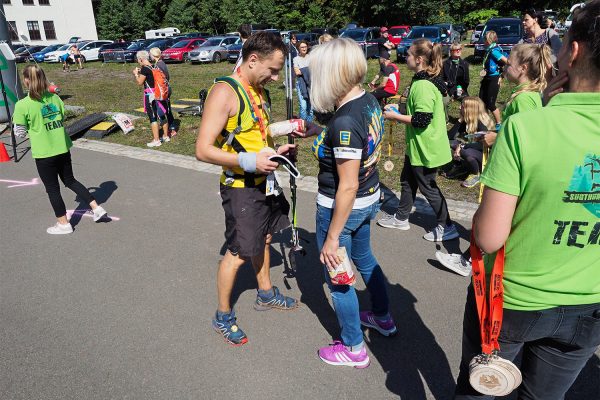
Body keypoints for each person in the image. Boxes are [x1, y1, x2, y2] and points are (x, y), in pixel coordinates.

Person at [454, 1, 600, 398]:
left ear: (572, 52)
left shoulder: (526, 126)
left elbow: (488, 237)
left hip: (514, 301)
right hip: (590, 305)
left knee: (483, 390)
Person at [297, 38, 396, 368]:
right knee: (365, 258)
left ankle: (353, 348)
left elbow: (347, 185)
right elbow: (353, 140)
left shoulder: (344, 123)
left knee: (338, 278)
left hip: (342, 206)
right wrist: (319, 131)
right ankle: (382, 316)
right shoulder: (366, 100)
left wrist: (332, 237)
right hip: (370, 199)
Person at [195, 32, 298, 346]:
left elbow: (255, 137)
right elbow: (202, 150)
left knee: (265, 238)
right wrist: (250, 161)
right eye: (273, 69)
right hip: (241, 188)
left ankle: (265, 293)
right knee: (238, 252)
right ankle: (222, 315)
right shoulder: (224, 92)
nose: (276, 77)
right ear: (253, 60)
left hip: (265, 183)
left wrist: (277, 150)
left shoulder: (258, 90)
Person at [378, 39, 459, 242]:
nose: (406, 57)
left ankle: (447, 226)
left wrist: (395, 116)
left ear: (419, 59)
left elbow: (422, 120)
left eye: (409, 54)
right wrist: (399, 110)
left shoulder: (422, 85)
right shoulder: (425, 80)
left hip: (426, 147)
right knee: (407, 181)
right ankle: (401, 217)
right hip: (416, 146)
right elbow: (418, 110)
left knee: (428, 187)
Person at [12, 65, 108, 234]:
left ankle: (63, 224)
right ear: (43, 78)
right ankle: (96, 207)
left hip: (44, 152)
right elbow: (61, 117)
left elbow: (19, 132)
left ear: (26, 81)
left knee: (52, 189)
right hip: (62, 147)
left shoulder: (23, 104)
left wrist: (35, 131)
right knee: (70, 180)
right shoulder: (55, 98)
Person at [445, 97, 495, 188]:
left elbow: (482, 145)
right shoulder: (468, 120)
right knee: (451, 143)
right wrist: (460, 120)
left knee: (465, 151)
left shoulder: (481, 124)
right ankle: (464, 167)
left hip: (486, 156)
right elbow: (449, 136)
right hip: (475, 151)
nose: (459, 108)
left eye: (462, 106)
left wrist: (462, 146)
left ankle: (476, 174)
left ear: (470, 109)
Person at [133, 50, 169, 148]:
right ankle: (165, 136)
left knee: (153, 117)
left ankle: (156, 140)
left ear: (141, 59)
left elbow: (140, 82)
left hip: (151, 96)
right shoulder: (154, 66)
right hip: (159, 93)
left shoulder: (145, 69)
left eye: (138, 59)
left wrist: (136, 74)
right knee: (161, 114)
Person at [479, 31, 508, 126]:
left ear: (488, 40)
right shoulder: (489, 49)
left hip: (494, 79)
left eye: (485, 39)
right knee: (482, 102)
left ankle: (499, 124)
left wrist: (502, 76)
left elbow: (508, 62)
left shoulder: (494, 51)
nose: (483, 41)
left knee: (490, 104)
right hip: (487, 78)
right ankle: (486, 123)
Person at [149, 47, 176, 137]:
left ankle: (171, 129)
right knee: (167, 109)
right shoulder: (161, 63)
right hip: (166, 88)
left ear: (153, 55)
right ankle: (171, 128)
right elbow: (167, 76)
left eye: (150, 54)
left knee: (164, 110)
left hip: (162, 90)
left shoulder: (158, 65)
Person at [293, 40, 313, 121]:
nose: (304, 48)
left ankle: (309, 124)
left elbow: (315, 69)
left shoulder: (312, 57)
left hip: (311, 84)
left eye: (305, 47)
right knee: (303, 106)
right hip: (301, 84)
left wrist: (303, 70)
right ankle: (302, 124)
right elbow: (297, 72)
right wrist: (309, 69)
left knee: (311, 106)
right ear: (298, 48)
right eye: (302, 47)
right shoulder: (296, 59)